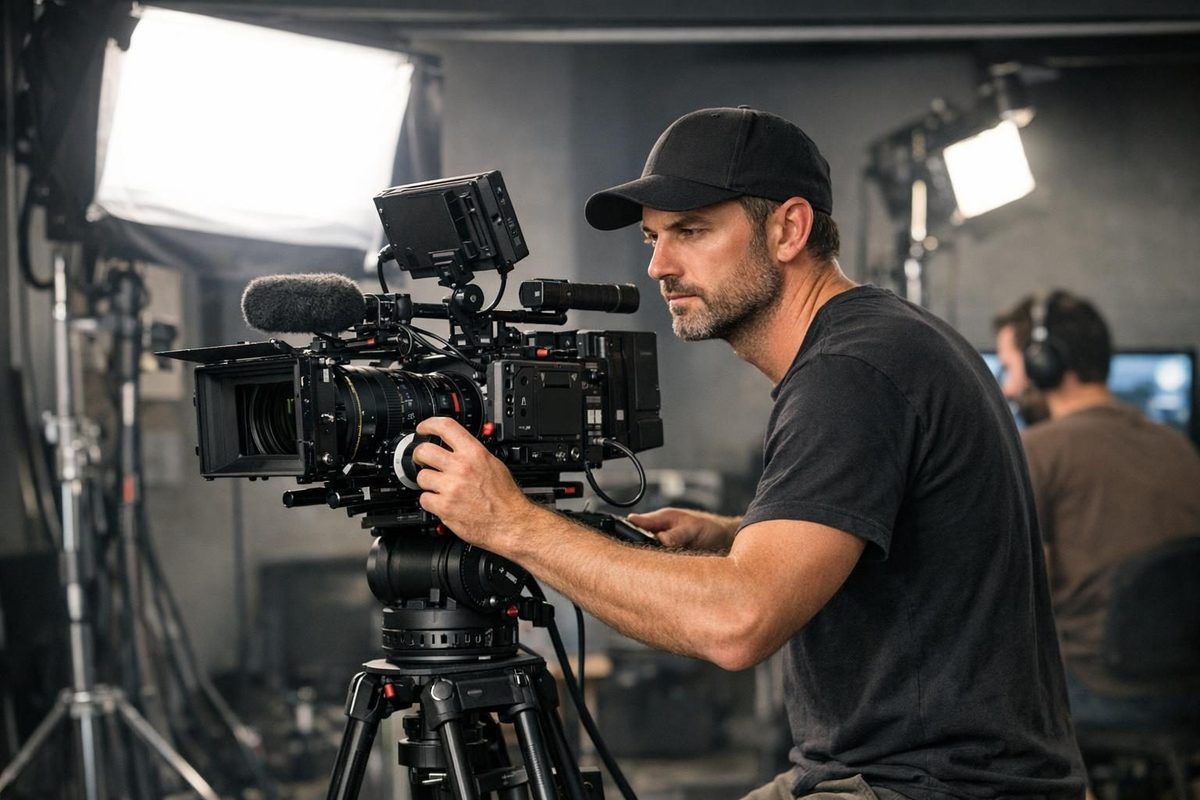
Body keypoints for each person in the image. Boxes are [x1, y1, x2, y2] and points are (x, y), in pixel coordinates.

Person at [412, 107, 1085, 800]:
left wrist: (510, 524)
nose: (659, 266)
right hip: (920, 774)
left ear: (789, 228)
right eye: (653, 238)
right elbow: (901, 534)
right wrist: (740, 536)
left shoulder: (849, 373)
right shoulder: (889, 340)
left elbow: (737, 625)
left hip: (926, 787)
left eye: (691, 231)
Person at [993, 291, 1200, 725]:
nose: (1008, 388)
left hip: (1094, 687)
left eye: (1010, 367)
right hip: (1185, 686)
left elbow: (1013, 597)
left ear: (1045, 364)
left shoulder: (1037, 451)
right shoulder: (1178, 446)